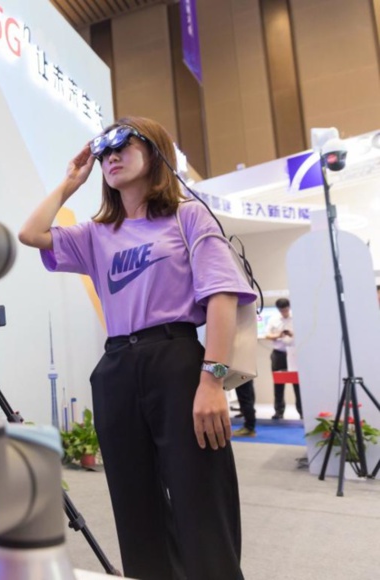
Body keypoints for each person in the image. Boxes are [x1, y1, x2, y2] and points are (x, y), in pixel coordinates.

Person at [19, 116, 256, 580]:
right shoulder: (96, 234)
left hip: (178, 362)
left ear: (156, 153)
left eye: (124, 145)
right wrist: (69, 184)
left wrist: (213, 379)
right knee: (134, 505)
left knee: (199, 500)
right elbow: (31, 234)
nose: (111, 157)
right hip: (117, 367)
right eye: (104, 151)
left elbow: (222, 296)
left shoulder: (188, 215)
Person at [265, 297, 302, 420]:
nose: (284, 312)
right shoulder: (273, 319)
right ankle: (279, 411)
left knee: (297, 384)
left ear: (289, 307)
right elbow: (267, 335)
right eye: (282, 310)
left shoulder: (297, 317)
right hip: (278, 354)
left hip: (294, 354)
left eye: (286, 310)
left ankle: (302, 411)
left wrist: (292, 334)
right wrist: (279, 335)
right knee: (278, 383)